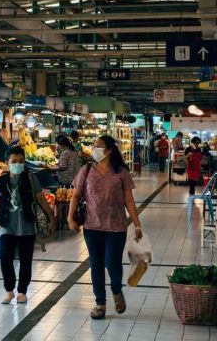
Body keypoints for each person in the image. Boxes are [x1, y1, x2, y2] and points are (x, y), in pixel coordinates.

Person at [67, 135, 143, 320]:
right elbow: (76, 195)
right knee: (96, 264)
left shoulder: (121, 172)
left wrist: (137, 224)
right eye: (94, 145)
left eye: (98, 146)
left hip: (116, 227)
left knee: (112, 263)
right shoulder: (86, 170)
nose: (95, 149)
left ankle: (116, 290)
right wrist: (70, 217)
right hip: (92, 226)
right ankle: (100, 303)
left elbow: (129, 200)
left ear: (109, 150)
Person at [0, 146, 54, 304]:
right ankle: (9, 290)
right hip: (6, 226)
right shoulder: (1, 181)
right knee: (5, 258)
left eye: (21, 161)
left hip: (27, 226)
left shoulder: (31, 179)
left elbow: (41, 199)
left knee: (26, 260)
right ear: (7, 162)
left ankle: (22, 291)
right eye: (14, 161)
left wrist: (51, 217)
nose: (17, 164)